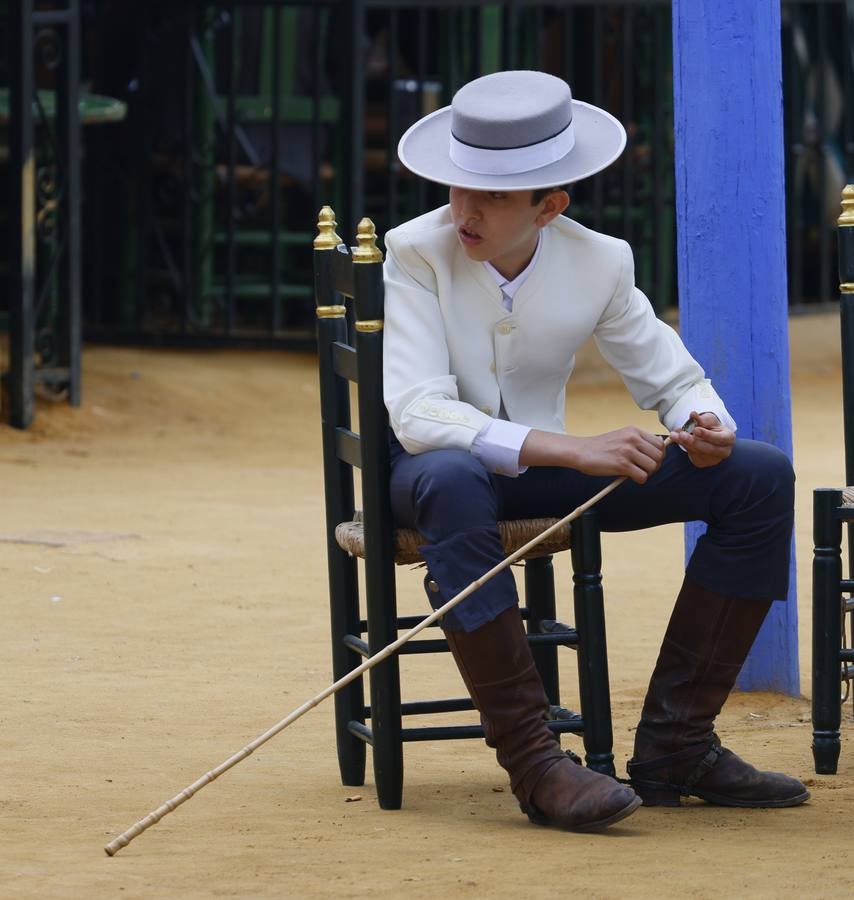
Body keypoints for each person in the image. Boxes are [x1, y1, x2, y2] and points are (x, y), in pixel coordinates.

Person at [382, 70, 808, 832]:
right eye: (458, 185)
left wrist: (706, 422)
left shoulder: (600, 260)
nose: (464, 210)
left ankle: (678, 745)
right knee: (452, 478)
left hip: (541, 476)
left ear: (550, 207)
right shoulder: (415, 251)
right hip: (431, 474)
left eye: (493, 196)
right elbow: (418, 413)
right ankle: (536, 765)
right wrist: (575, 450)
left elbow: (672, 377)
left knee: (759, 476)